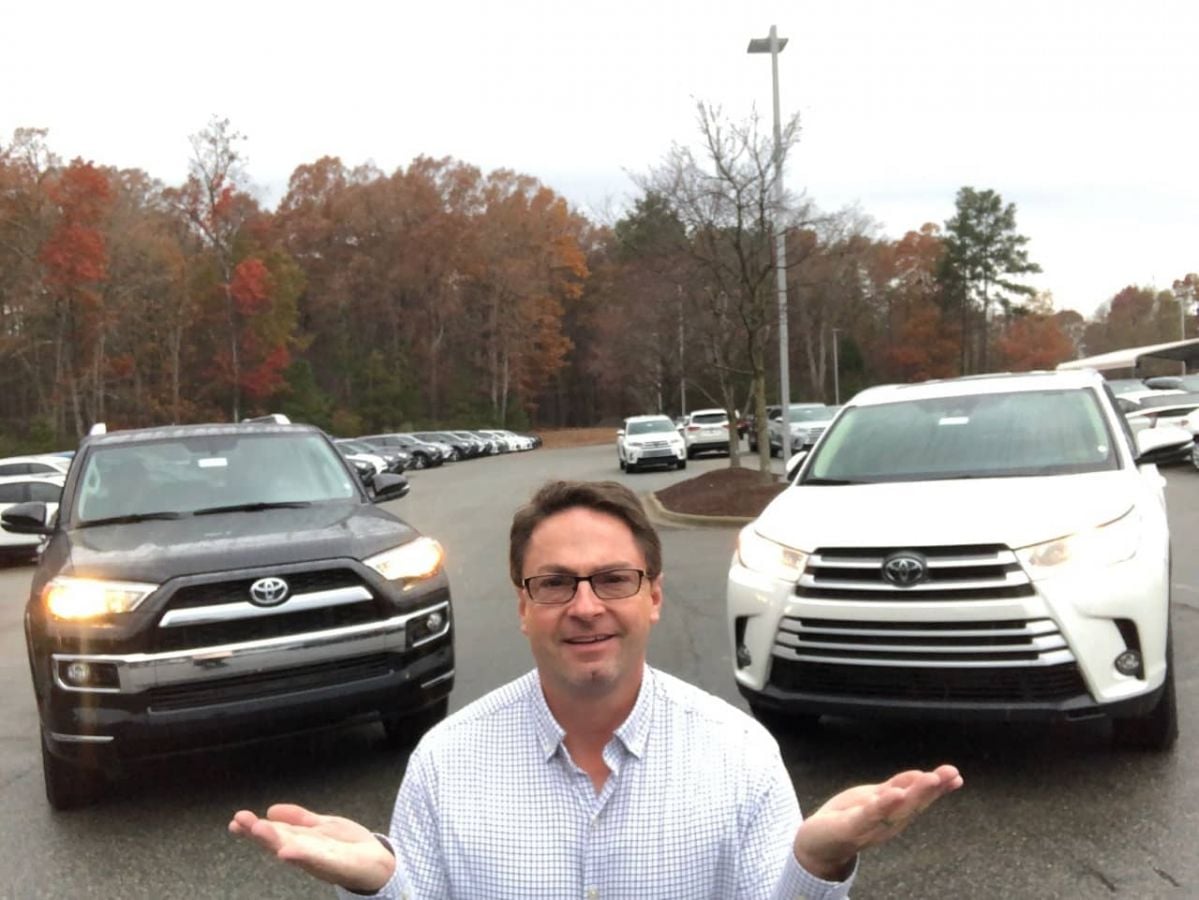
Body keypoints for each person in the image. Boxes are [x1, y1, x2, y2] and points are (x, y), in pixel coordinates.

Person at [230, 480, 962, 899]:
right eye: (554, 583)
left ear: (654, 597)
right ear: (522, 606)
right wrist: (381, 886)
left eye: (613, 579)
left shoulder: (739, 753)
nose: (584, 607)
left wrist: (816, 864)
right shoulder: (446, 761)